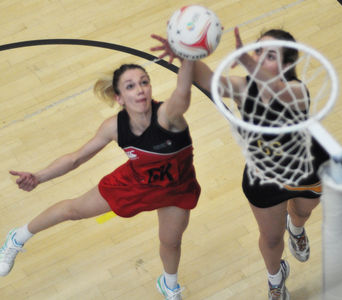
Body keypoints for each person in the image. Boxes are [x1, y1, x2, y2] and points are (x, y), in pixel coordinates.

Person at [151, 27, 329, 300]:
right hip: (264, 178)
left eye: (270, 55)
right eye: (258, 51)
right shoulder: (243, 88)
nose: (258, 58)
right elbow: (209, 81)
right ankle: (275, 278)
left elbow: (276, 91)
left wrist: (250, 65)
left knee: (301, 214)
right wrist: (186, 54)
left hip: (307, 169)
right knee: (270, 239)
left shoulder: (296, 91)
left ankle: (296, 229)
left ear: (287, 63)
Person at [0, 58, 200, 300]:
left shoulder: (168, 116)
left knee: (171, 243)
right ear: (119, 98)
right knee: (73, 210)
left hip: (175, 190)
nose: (139, 90)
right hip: (135, 183)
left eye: (144, 83)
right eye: (130, 86)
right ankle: (17, 238)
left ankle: (169, 285)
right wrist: (39, 177)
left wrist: (188, 59)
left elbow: (182, 93)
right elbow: (76, 159)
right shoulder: (114, 127)